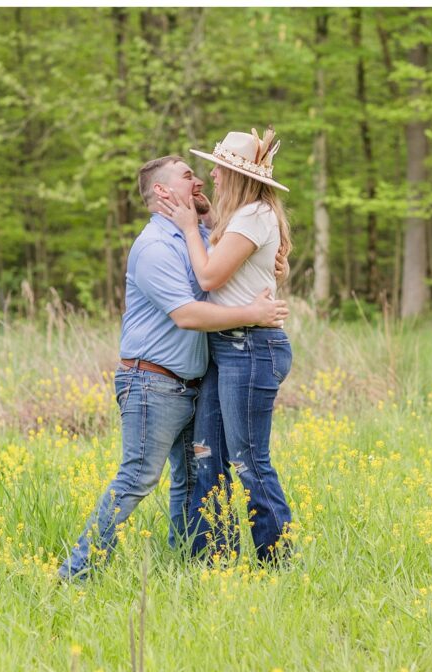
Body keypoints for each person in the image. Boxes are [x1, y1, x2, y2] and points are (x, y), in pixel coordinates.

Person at [58, 155, 290, 581]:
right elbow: (188, 314)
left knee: (194, 480)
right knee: (137, 479)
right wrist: (251, 314)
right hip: (152, 381)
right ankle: (77, 572)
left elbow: (234, 267)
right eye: (188, 177)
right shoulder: (155, 248)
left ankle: (191, 568)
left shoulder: (197, 235)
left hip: (193, 382)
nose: (200, 182)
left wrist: (274, 263)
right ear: (163, 192)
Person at [157, 127, 295, 565]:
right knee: (208, 455)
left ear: (238, 175)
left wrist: (186, 228)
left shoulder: (254, 215)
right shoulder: (240, 216)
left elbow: (210, 277)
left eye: (220, 168)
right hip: (228, 349)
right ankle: (217, 561)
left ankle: (280, 563)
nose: (212, 174)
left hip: (251, 349)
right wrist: (191, 211)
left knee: (250, 462)